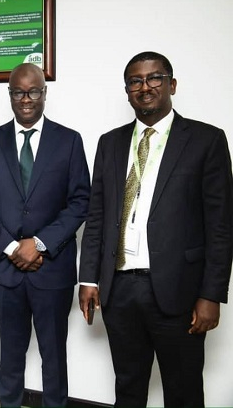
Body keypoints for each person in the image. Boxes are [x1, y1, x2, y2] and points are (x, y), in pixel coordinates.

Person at [78, 51, 233, 407]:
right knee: (129, 388)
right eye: (135, 81)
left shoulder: (206, 141)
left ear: (171, 84)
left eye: (154, 78)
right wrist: (89, 279)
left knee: (184, 391)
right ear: (127, 91)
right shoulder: (110, 143)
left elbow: (221, 226)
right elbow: (97, 215)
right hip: (120, 289)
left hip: (179, 291)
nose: (144, 87)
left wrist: (211, 295)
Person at [0, 63, 90, 407]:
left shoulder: (68, 141)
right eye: (18, 92)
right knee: (10, 356)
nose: (26, 99)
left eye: (33, 91)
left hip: (52, 269)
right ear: (9, 95)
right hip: (8, 272)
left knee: (54, 356)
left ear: (44, 93)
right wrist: (9, 246)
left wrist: (38, 244)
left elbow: (81, 201)